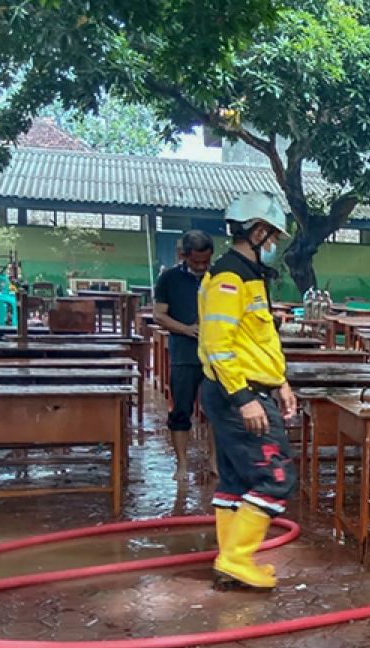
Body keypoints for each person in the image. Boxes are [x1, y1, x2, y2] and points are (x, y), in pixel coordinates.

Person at [198, 191, 298, 590]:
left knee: (238, 480)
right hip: (237, 395)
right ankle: (237, 558)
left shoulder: (251, 275)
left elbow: (257, 341)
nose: (274, 244)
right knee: (275, 478)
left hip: (250, 389)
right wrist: (244, 399)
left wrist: (281, 383)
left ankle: (231, 562)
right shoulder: (229, 277)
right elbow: (217, 345)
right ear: (257, 231)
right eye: (272, 235)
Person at [154, 230, 215, 481]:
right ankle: (181, 464)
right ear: (183, 255)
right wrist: (187, 329)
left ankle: (215, 461)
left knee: (215, 409)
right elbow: (159, 315)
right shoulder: (169, 278)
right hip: (184, 354)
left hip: (214, 354)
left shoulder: (219, 277)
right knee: (181, 410)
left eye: (206, 262)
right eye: (196, 261)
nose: (201, 267)